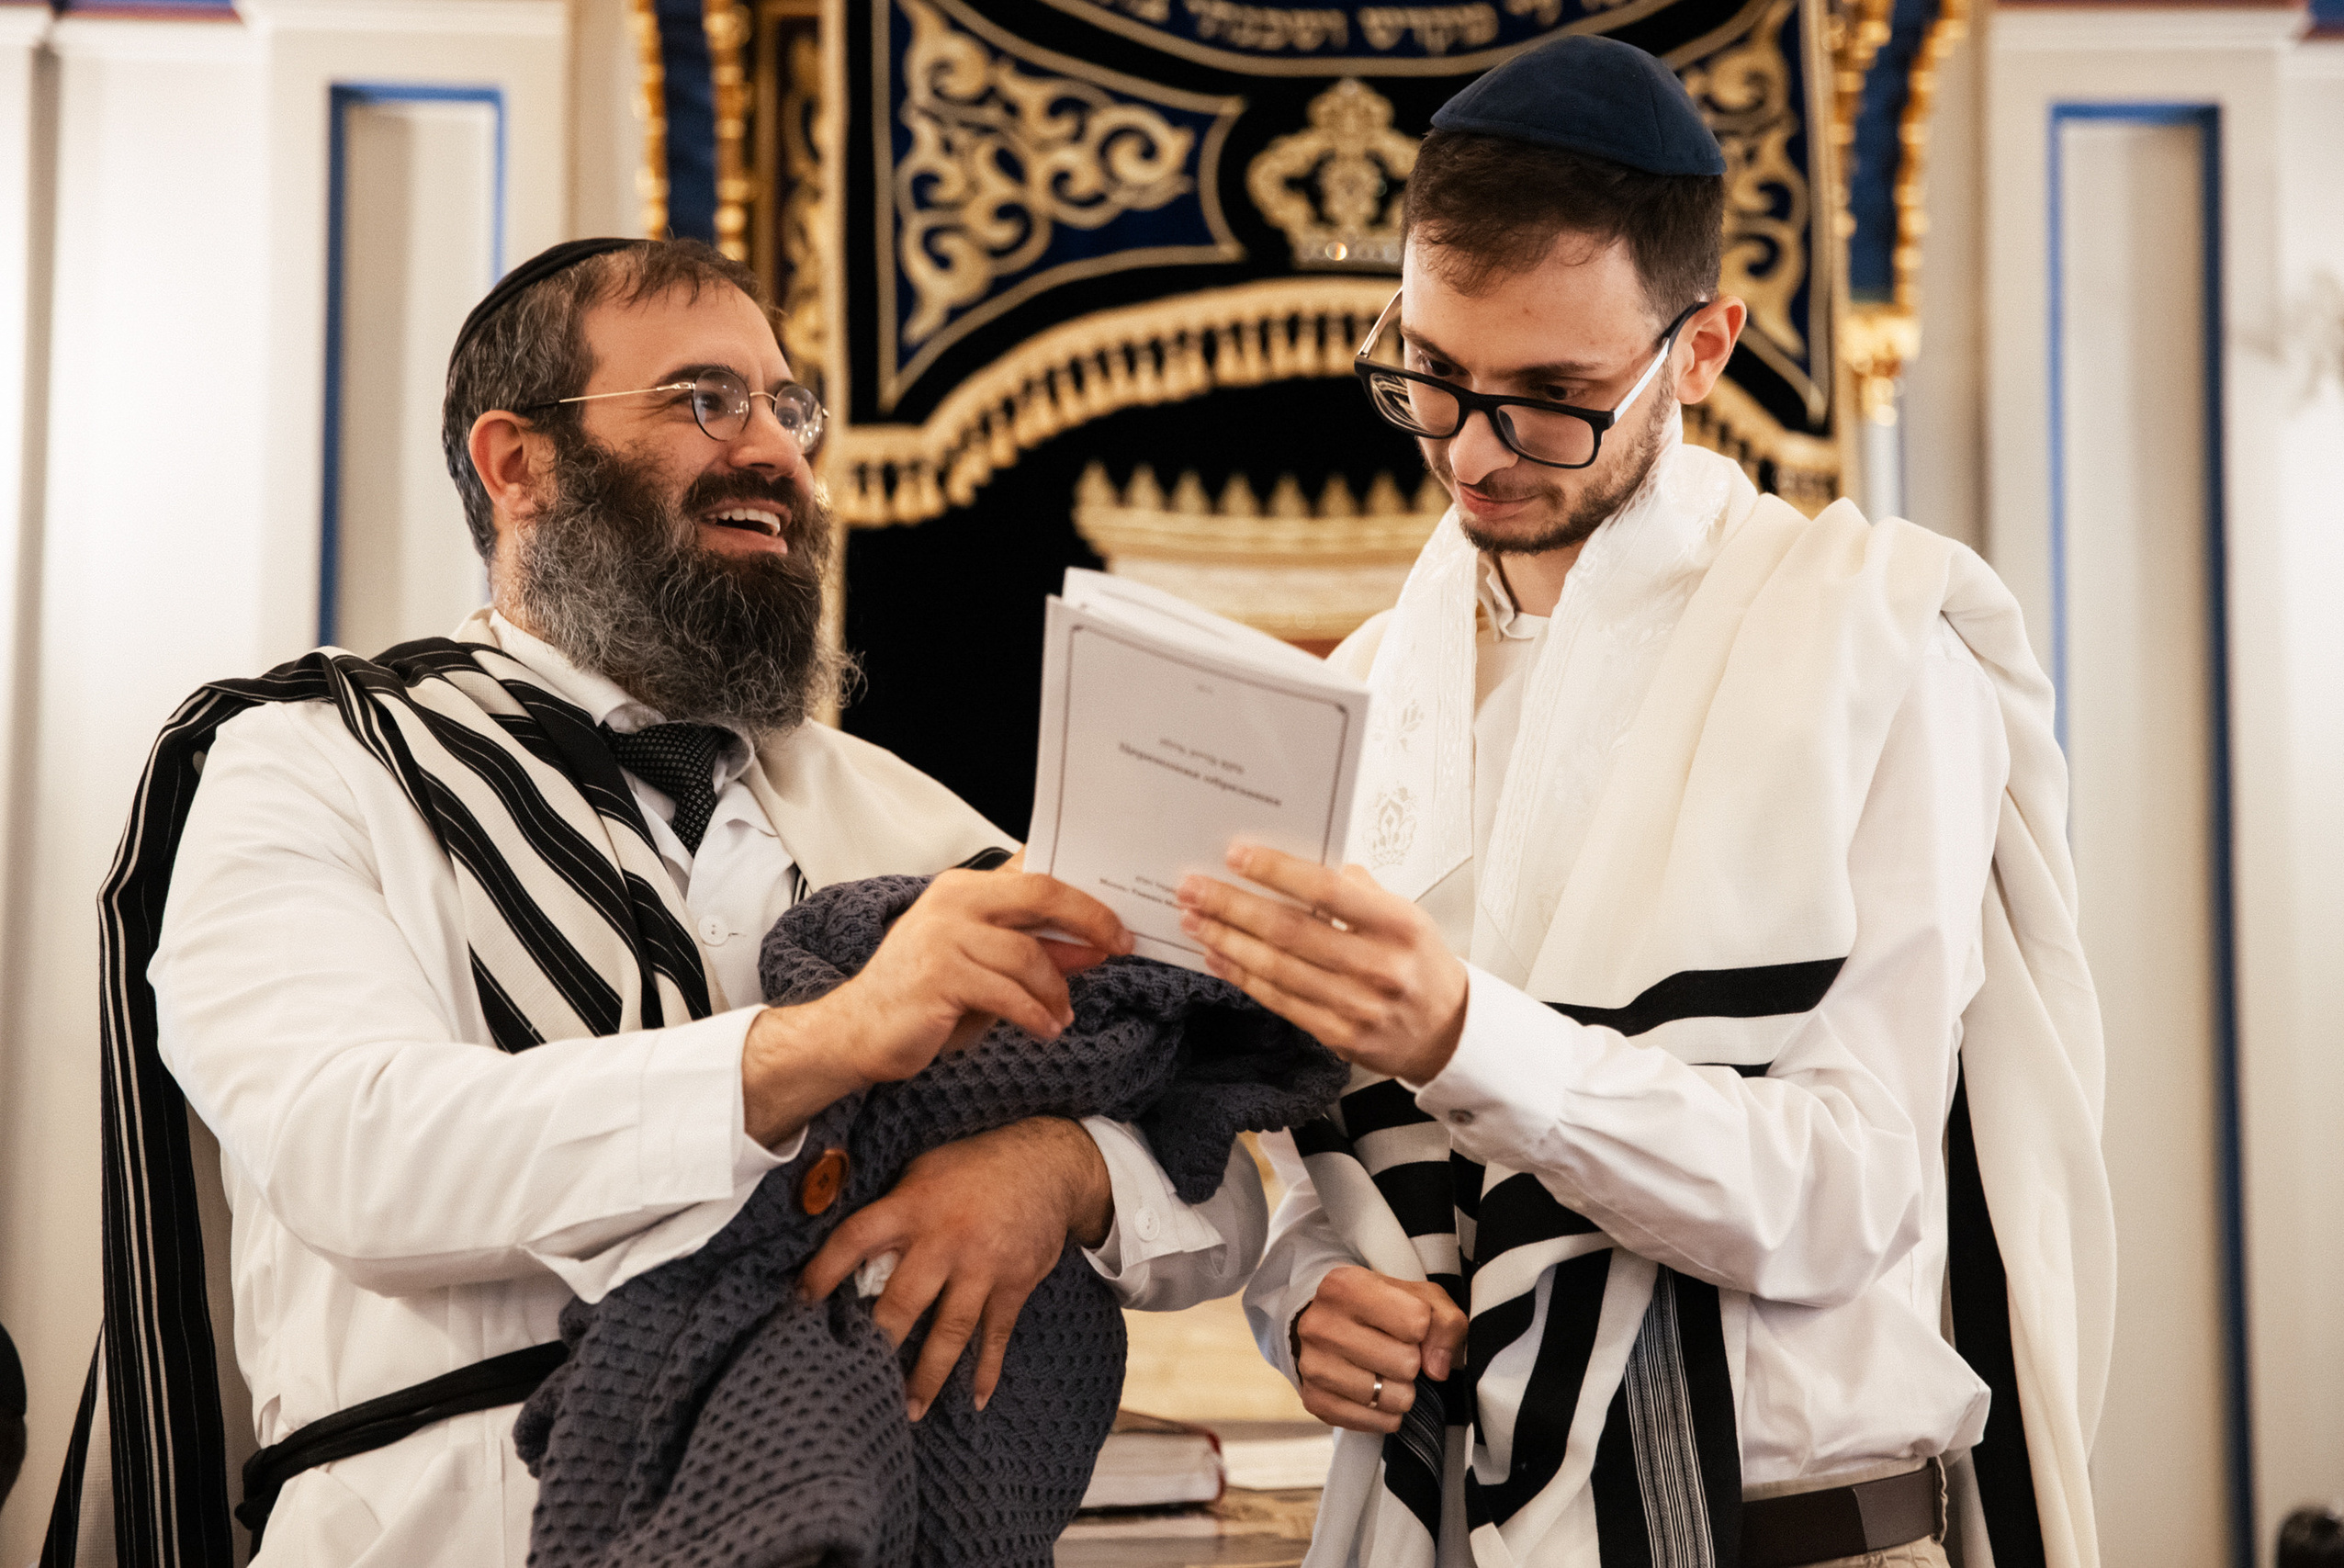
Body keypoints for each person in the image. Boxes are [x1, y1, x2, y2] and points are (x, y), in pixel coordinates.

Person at [43, 237, 1267, 1568]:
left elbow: (1222, 1175)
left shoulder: (913, 819)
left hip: (861, 1517)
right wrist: (834, 1040)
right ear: (518, 464)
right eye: (703, 401)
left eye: (787, 409)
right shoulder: (317, 759)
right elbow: (357, 1152)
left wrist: (1065, 1173)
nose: (776, 454)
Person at [1174, 36, 2114, 1568]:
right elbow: (1292, 1152)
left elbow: (1841, 1196)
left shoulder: (1870, 649)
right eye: (1428, 372)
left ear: (1703, 345)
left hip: (1799, 1534)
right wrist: (1301, 1299)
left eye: (1554, 396)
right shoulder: (1353, 692)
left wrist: (1467, 1035)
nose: (1472, 450)